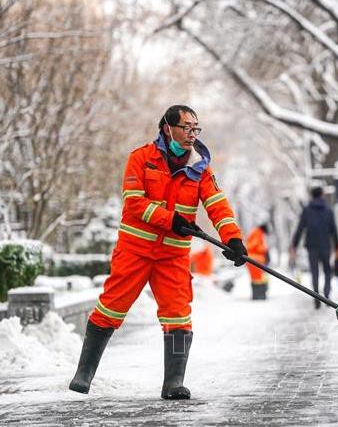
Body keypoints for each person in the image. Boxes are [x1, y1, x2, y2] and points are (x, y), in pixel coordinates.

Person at [69, 105, 247, 400]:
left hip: (172, 257)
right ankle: (84, 374)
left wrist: (234, 240)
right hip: (135, 251)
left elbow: (217, 205)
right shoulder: (141, 159)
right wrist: (171, 219)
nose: (192, 134)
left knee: (178, 315)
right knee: (111, 307)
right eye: (186, 128)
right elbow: (134, 202)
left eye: (196, 129)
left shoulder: (200, 166)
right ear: (168, 128)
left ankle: (173, 383)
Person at [290, 187, 338, 309]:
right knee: (327, 271)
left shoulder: (307, 210)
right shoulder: (328, 210)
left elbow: (300, 228)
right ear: (322, 195)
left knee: (315, 272)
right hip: (325, 246)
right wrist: (337, 246)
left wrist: (294, 245)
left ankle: (317, 297)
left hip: (312, 246)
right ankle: (327, 295)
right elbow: (334, 230)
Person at [246, 223, 270, 300]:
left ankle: (258, 295)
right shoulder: (257, 233)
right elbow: (254, 245)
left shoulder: (256, 232)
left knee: (257, 278)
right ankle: (259, 295)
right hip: (255, 259)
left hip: (254, 259)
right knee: (258, 278)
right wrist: (265, 250)